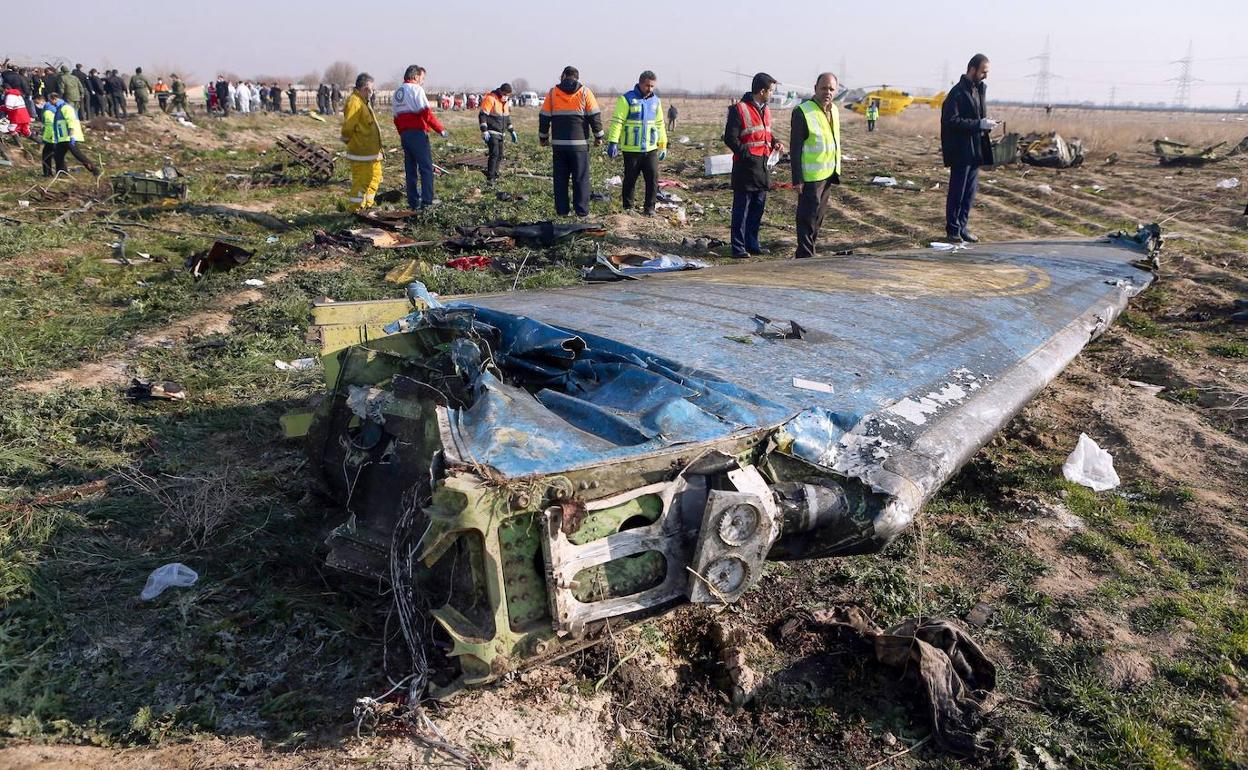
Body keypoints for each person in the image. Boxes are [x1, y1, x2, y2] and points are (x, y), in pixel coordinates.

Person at [722, 72, 785, 257]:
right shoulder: (738, 109)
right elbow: (730, 138)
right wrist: (746, 155)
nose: (772, 94)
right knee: (742, 210)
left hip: (763, 166)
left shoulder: (765, 109)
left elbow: (764, 132)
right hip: (745, 168)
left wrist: (775, 142)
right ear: (762, 90)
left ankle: (752, 243)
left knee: (757, 209)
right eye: (771, 90)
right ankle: (738, 247)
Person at [940, 53, 997, 244]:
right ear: (972, 69)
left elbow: (976, 117)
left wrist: (986, 124)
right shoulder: (957, 93)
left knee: (969, 193)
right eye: (983, 72)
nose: (985, 76)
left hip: (975, 150)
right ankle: (953, 229)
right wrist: (978, 124)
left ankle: (962, 227)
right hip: (960, 150)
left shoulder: (979, 90)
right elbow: (951, 121)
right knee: (958, 191)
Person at [539, 65, 604, 217]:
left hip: (559, 146)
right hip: (579, 145)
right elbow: (594, 116)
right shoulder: (585, 92)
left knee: (560, 180)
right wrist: (598, 137)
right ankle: (581, 212)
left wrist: (543, 138)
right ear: (577, 77)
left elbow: (544, 117)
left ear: (563, 76)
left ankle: (562, 212)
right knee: (580, 178)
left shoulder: (553, 93)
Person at [790, 73, 843, 259]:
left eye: (831, 89)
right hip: (810, 176)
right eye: (824, 88)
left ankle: (809, 251)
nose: (827, 92)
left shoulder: (834, 110)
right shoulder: (802, 112)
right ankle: (804, 256)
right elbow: (795, 148)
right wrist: (797, 179)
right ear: (815, 88)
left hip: (828, 173)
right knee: (807, 217)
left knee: (818, 218)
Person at [606, 70, 667, 215]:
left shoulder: (656, 101)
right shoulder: (626, 99)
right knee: (630, 179)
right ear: (640, 83)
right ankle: (628, 208)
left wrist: (663, 145)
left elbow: (660, 124)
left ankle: (650, 208)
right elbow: (617, 122)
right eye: (647, 86)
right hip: (631, 149)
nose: (650, 89)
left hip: (650, 149)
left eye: (652, 86)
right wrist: (613, 141)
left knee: (652, 179)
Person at [393, 64, 448, 209]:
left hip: (405, 134)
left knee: (410, 168)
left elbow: (396, 118)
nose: (423, 81)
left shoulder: (397, 92)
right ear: (416, 76)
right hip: (417, 133)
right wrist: (440, 129)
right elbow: (426, 113)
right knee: (426, 168)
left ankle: (413, 201)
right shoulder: (416, 89)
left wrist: (402, 133)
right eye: (422, 78)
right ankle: (427, 201)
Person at [342, 72, 383, 211]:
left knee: (375, 177)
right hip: (361, 152)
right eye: (370, 89)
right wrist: (350, 142)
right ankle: (355, 210)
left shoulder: (363, 102)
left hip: (371, 152)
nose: (371, 92)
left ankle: (367, 206)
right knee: (362, 181)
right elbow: (348, 127)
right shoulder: (354, 102)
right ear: (365, 87)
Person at [43, 92, 100, 176]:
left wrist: (71, 134)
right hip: (62, 138)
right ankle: (62, 173)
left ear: (54, 99)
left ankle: (94, 169)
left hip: (69, 136)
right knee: (58, 156)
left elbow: (71, 120)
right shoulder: (59, 108)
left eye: (50, 101)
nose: (50, 103)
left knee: (77, 154)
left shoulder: (65, 107)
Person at [478, 82, 518, 183]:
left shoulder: (505, 102)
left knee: (500, 155)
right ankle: (490, 178)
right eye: (505, 94)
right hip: (491, 131)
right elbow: (482, 115)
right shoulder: (491, 99)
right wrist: (484, 131)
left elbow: (507, 119)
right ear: (501, 91)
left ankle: (495, 174)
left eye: (508, 95)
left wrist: (512, 131)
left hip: (501, 133)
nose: (506, 97)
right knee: (494, 154)